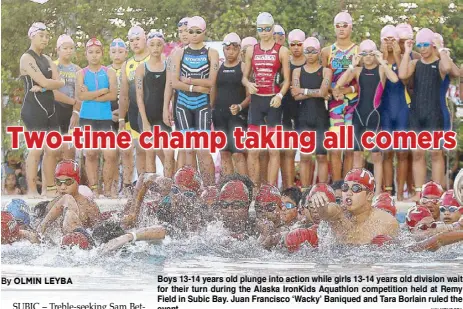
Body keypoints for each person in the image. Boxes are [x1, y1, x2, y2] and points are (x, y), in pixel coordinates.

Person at [335, 39, 399, 195]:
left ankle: (376, 192)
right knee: (357, 153)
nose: (369, 57)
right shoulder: (357, 71)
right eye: (365, 54)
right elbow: (339, 84)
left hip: (374, 115)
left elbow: (395, 79)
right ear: (361, 55)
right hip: (359, 115)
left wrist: (382, 61)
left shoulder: (381, 70)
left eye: (372, 54)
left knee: (376, 154)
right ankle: (358, 189)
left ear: (375, 54)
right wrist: (352, 64)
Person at [399, 28, 453, 200]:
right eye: (419, 45)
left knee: (436, 153)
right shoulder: (415, 64)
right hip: (416, 113)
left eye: (426, 45)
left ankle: (436, 192)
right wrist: (407, 52)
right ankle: (419, 192)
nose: (422, 48)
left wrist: (440, 48)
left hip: (434, 113)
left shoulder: (439, 64)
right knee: (417, 153)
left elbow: (448, 67)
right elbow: (402, 74)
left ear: (432, 45)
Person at [242, 12, 290, 187]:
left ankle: (271, 189)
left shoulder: (282, 50)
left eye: (267, 29)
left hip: (273, 103)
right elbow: (244, 77)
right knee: (253, 150)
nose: (264, 32)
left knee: (274, 150)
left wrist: (279, 95)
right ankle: (254, 189)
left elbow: (287, 80)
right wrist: (248, 84)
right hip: (256, 102)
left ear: (273, 28)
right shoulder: (251, 50)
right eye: (260, 29)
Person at [171, 16, 219, 186]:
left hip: (202, 106)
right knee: (188, 150)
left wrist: (188, 81)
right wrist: (196, 87)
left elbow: (211, 82)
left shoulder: (211, 53)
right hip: (183, 105)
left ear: (204, 32)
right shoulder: (179, 53)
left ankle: (210, 189)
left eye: (198, 32)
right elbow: (174, 82)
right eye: (190, 31)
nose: (194, 35)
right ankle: (190, 189)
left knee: (203, 150)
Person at [20, 22, 65, 197]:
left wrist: (46, 87)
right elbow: (50, 81)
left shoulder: (46, 59)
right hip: (33, 107)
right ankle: (32, 189)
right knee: (36, 149)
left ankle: (48, 188)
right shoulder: (27, 58)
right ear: (32, 36)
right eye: (41, 36)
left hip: (49, 107)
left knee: (53, 149)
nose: (45, 39)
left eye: (47, 36)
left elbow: (59, 82)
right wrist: (49, 84)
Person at [308, 168, 399, 245]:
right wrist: (321, 205)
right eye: (345, 188)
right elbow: (325, 213)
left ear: (369, 195)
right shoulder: (338, 215)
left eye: (356, 188)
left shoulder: (387, 222)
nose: (349, 193)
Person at [321, 12, 358, 195]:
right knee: (335, 148)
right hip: (334, 106)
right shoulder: (327, 52)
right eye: (338, 25)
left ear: (351, 27)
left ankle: (349, 187)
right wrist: (331, 91)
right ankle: (336, 188)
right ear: (334, 28)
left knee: (350, 148)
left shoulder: (358, 51)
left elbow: (364, 84)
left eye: (345, 25)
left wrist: (346, 90)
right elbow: (322, 83)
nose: (341, 29)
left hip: (353, 104)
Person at [75, 38, 118, 197]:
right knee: (91, 153)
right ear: (86, 54)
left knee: (110, 154)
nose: (94, 55)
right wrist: (102, 91)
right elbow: (79, 96)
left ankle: (107, 189)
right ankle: (93, 189)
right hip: (87, 117)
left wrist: (90, 95)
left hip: (105, 118)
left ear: (102, 53)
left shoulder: (109, 72)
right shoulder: (81, 73)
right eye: (91, 52)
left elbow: (113, 95)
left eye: (97, 52)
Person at [291, 37, 332, 187]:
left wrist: (303, 90)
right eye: (307, 51)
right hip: (303, 118)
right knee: (305, 156)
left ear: (319, 52)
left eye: (313, 51)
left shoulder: (326, 71)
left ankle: (322, 189)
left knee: (321, 156)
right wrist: (317, 92)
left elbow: (323, 92)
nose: (310, 54)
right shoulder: (297, 72)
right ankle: (305, 190)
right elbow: (295, 96)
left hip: (321, 117)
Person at [136, 31, 174, 176]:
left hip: (162, 116)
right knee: (150, 151)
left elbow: (168, 91)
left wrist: (166, 110)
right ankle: (151, 189)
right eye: (152, 45)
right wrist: (145, 121)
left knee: (169, 152)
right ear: (147, 46)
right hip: (146, 115)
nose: (156, 48)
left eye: (159, 45)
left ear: (163, 45)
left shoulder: (168, 66)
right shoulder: (142, 68)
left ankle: (169, 185)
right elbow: (139, 96)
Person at [212, 33, 250, 176]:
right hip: (220, 115)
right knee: (225, 153)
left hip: (237, 116)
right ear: (224, 49)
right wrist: (211, 109)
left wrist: (240, 107)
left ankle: (246, 189)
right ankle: (228, 188)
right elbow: (213, 90)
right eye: (227, 49)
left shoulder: (243, 67)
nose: (230, 52)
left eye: (234, 49)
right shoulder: (218, 68)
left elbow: (249, 95)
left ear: (239, 49)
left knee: (238, 153)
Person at [119, 26, 151, 195]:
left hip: (152, 111)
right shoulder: (127, 64)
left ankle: (157, 184)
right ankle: (141, 185)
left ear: (145, 39)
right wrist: (121, 119)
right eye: (131, 41)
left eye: (138, 39)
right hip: (133, 112)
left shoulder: (154, 58)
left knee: (154, 150)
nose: (135, 43)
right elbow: (124, 95)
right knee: (139, 149)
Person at [379, 25, 409, 200]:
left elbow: (405, 79)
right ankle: (388, 191)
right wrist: (383, 56)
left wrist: (398, 55)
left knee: (403, 152)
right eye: (386, 39)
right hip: (385, 109)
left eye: (393, 39)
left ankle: (400, 193)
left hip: (402, 108)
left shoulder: (405, 57)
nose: (390, 42)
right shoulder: (376, 58)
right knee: (387, 151)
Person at [37, 160, 101, 236]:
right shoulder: (54, 204)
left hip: (78, 243)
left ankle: (39, 230)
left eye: (68, 182)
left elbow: (97, 233)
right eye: (58, 182)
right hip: (60, 244)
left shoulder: (89, 206)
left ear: (78, 180)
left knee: (67, 199)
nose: (63, 187)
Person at [164, 17, 191, 173]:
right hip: (180, 103)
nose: (184, 35)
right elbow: (169, 84)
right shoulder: (174, 54)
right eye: (180, 32)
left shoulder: (205, 51)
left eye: (186, 31)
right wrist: (166, 107)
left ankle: (197, 181)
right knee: (181, 144)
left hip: (200, 102)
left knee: (196, 146)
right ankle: (182, 181)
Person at [281, 29, 306, 189]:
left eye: (299, 44)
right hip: (287, 109)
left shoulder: (312, 61)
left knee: (306, 153)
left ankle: (305, 189)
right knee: (289, 152)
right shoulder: (286, 62)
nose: (296, 47)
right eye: (293, 44)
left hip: (307, 110)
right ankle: (289, 188)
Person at [108, 38, 129, 194]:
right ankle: (113, 187)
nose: (117, 55)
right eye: (114, 52)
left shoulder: (130, 68)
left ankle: (128, 186)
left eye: (120, 52)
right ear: (109, 54)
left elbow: (133, 95)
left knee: (127, 152)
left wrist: (124, 113)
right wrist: (109, 114)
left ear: (126, 53)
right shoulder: (105, 71)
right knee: (111, 154)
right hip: (108, 115)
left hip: (127, 115)